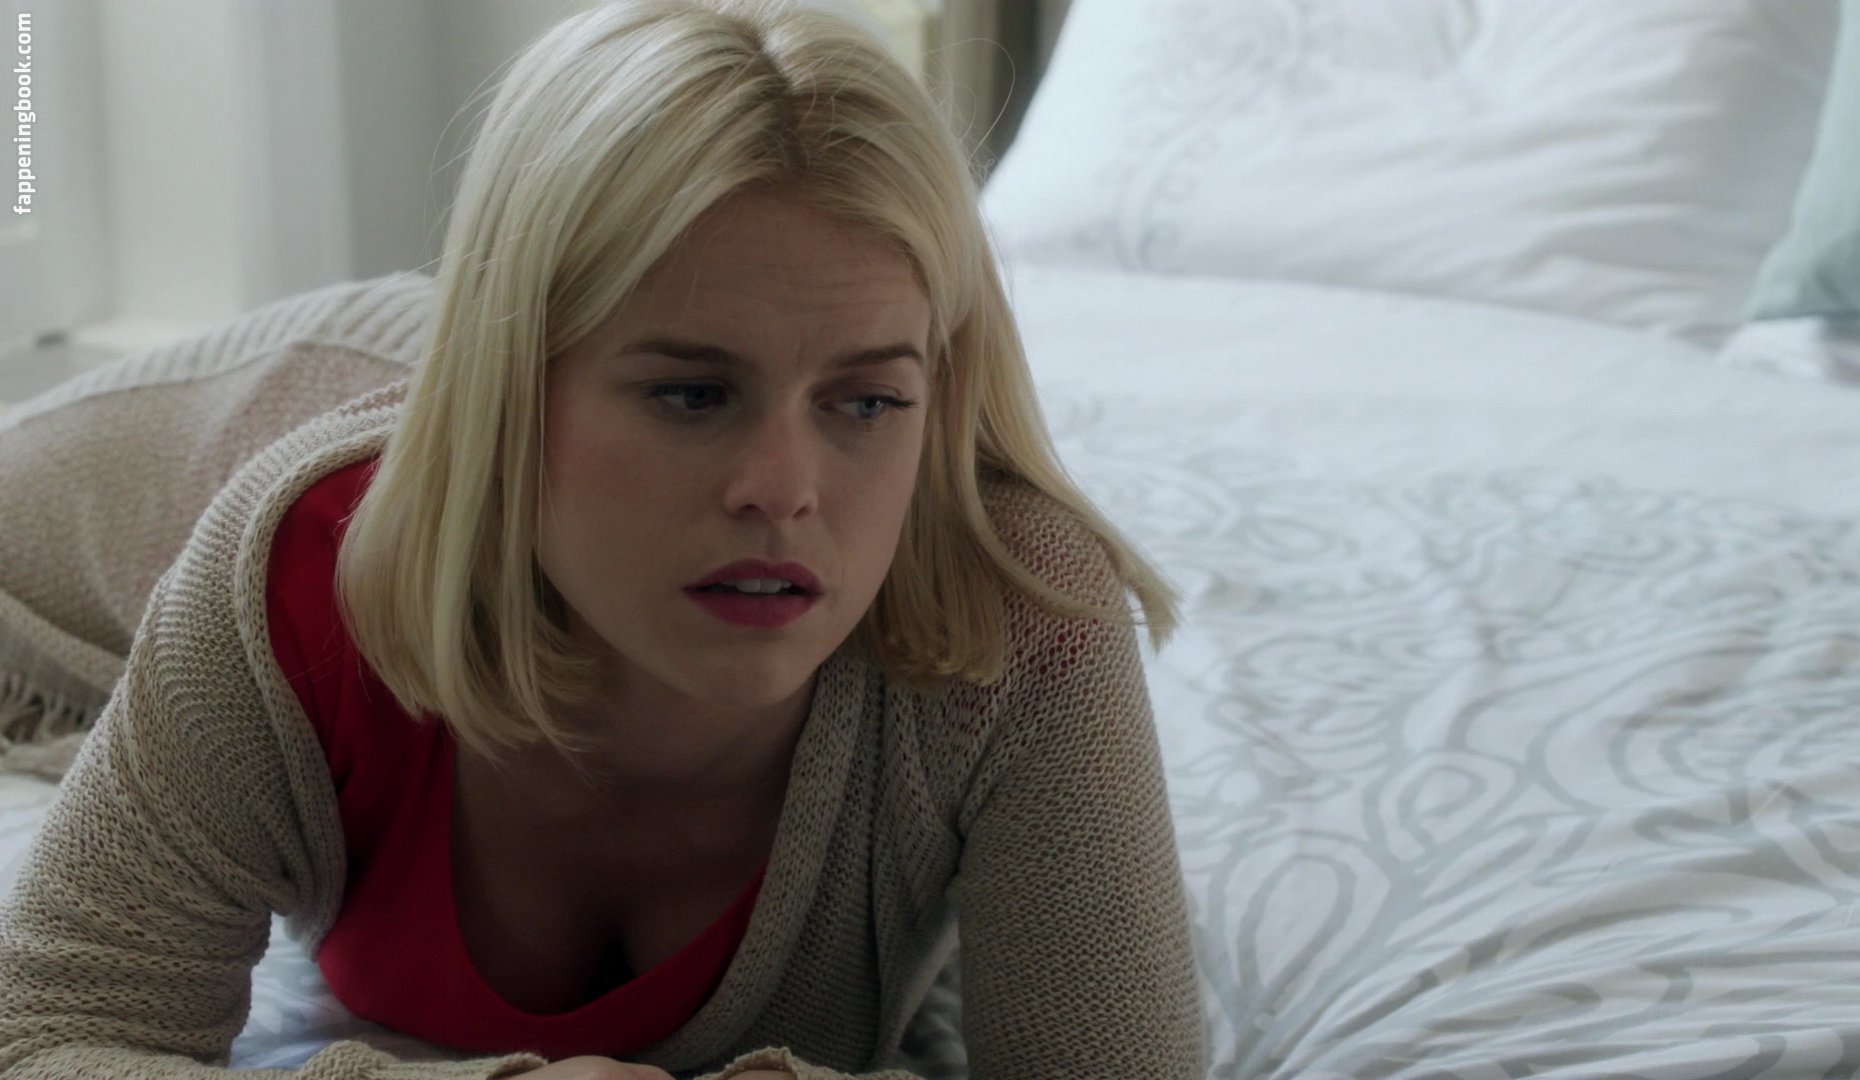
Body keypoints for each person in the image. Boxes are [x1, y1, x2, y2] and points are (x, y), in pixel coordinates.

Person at [0, 0, 1207, 1077]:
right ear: (509, 400)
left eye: (866, 401)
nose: (783, 492)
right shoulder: (295, 571)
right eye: (693, 395)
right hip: (195, 450)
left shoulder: (1019, 618)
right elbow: (46, 1035)